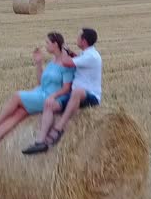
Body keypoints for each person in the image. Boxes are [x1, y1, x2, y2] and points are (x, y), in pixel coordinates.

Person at [0, 33, 75, 154]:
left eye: (47, 43)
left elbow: (66, 88)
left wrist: (53, 96)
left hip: (50, 97)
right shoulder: (53, 61)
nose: (45, 45)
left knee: (17, 96)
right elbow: (40, 82)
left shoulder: (67, 64)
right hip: (40, 92)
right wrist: (38, 63)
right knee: (17, 114)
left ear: (55, 44)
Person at [25, 27, 101, 155]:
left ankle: (59, 128)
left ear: (84, 41)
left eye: (78, 37)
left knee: (77, 92)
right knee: (49, 104)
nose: (76, 39)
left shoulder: (92, 56)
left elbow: (66, 62)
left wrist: (64, 51)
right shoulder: (85, 54)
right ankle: (41, 141)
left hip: (91, 96)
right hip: (74, 96)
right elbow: (76, 58)